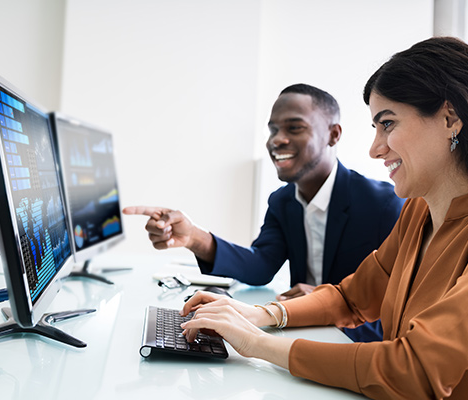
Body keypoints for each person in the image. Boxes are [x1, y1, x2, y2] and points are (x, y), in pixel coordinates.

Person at [178, 36, 468, 399]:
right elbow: (351, 297)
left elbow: (417, 367)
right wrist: (260, 314)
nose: (374, 148)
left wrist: (259, 345)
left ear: (450, 118)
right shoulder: (420, 210)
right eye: (375, 128)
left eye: (388, 124)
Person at [123, 84, 404, 342]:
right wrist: (194, 238)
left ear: (333, 134)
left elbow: (396, 315)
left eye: (294, 128)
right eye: (273, 130)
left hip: (352, 343)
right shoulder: (283, 201)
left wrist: (320, 307)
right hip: (296, 332)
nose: (277, 140)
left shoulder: (383, 204)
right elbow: (261, 266)